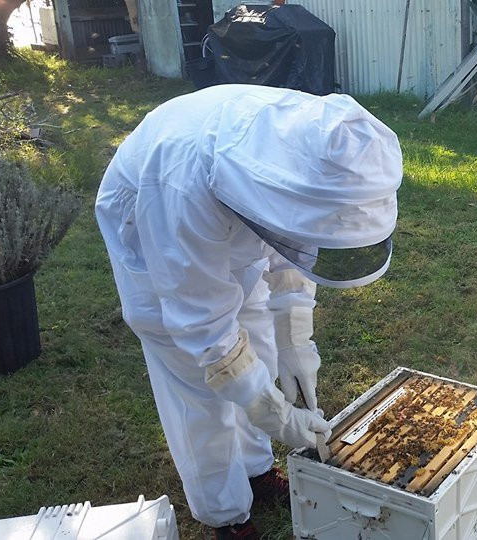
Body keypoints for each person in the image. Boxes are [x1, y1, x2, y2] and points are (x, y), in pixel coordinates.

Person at [94, 85, 402, 538]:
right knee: (203, 391)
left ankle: (257, 473)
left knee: (258, 344)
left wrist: (295, 337)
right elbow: (203, 326)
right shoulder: (180, 180)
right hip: (154, 231)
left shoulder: (306, 144)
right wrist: (278, 415)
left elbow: (298, 240)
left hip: (223, 220)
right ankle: (225, 515)